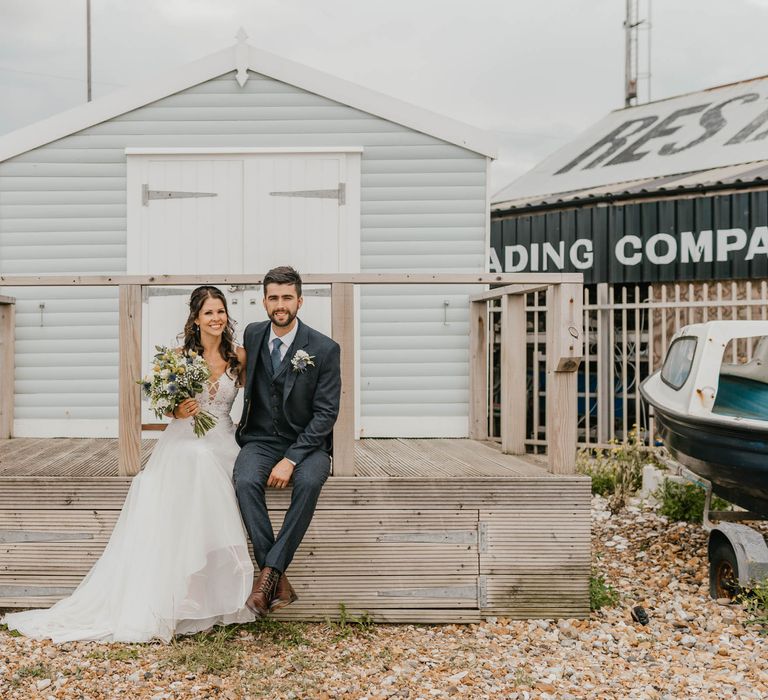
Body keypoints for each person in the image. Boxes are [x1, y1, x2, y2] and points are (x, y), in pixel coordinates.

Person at [1, 286, 254, 643]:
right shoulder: (179, 357)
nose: (216, 318)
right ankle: (183, 596)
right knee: (195, 462)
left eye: (221, 311)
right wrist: (176, 409)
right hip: (186, 440)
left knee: (212, 469)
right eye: (209, 312)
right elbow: (164, 404)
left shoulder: (238, 357)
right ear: (195, 318)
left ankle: (212, 597)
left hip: (224, 440)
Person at [235, 266, 341, 617]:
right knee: (245, 479)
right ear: (264, 301)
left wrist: (292, 459)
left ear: (300, 300)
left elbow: (326, 414)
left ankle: (265, 578)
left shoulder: (324, 349)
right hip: (261, 438)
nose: (280, 305)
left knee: (310, 481)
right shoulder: (252, 335)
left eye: (287, 297)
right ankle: (275, 577)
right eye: (273, 298)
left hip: (307, 443)